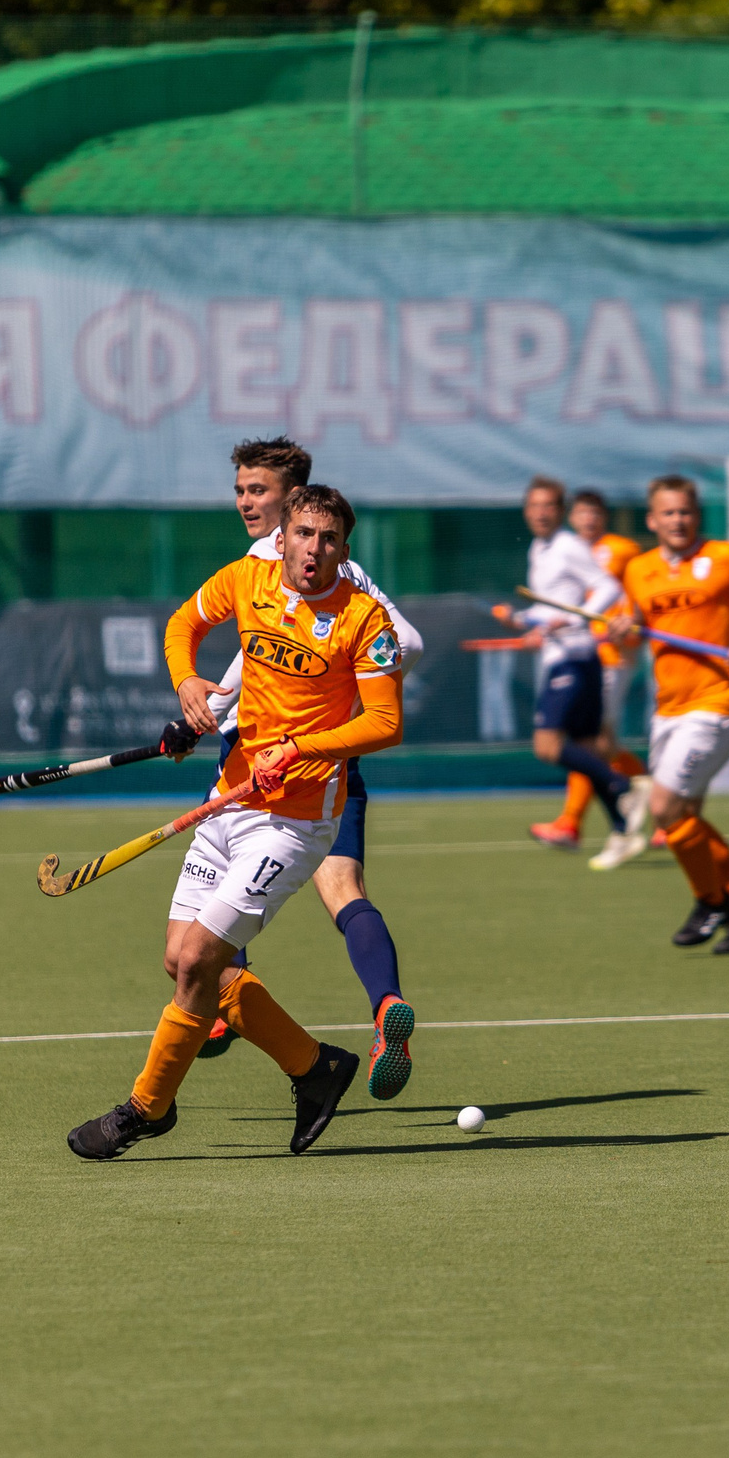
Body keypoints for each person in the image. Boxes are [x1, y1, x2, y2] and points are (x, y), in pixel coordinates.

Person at [67, 485, 397, 1160]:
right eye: (304, 534)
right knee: (182, 961)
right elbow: (182, 624)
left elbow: (385, 722)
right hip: (230, 801)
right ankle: (314, 1068)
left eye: (329, 539)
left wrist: (300, 749)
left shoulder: (365, 620)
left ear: (344, 548)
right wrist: (185, 679)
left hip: (295, 824)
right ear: (284, 537)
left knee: (199, 958)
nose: (314, 549)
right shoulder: (247, 580)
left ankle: (146, 1108)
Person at [197, 438, 424, 1101]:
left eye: (258, 491)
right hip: (327, 762)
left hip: (273, 762)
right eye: (240, 490)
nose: (246, 502)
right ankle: (387, 1006)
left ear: (292, 497)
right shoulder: (317, 565)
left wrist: (219, 706)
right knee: (343, 888)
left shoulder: (300, 566)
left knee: (218, 886)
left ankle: (224, 1005)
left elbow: (397, 641)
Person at [610, 475, 729, 953]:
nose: (678, 520)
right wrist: (622, 629)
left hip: (716, 703)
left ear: (697, 515)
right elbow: (632, 629)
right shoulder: (638, 569)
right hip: (667, 709)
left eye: (685, 511)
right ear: (652, 520)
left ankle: (710, 901)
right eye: (668, 513)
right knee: (684, 815)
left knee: (663, 808)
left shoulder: (728, 557)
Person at [504, 477, 654, 863]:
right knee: (590, 751)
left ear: (560, 511)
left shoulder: (568, 546)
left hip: (573, 657)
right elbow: (552, 606)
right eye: (534, 505)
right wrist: (522, 619)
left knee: (547, 746)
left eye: (548, 505)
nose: (540, 513)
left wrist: (572, 621)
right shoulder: (539, 549)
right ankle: (622, 829)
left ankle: (624, 785)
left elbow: (607, 588)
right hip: (574, 658)